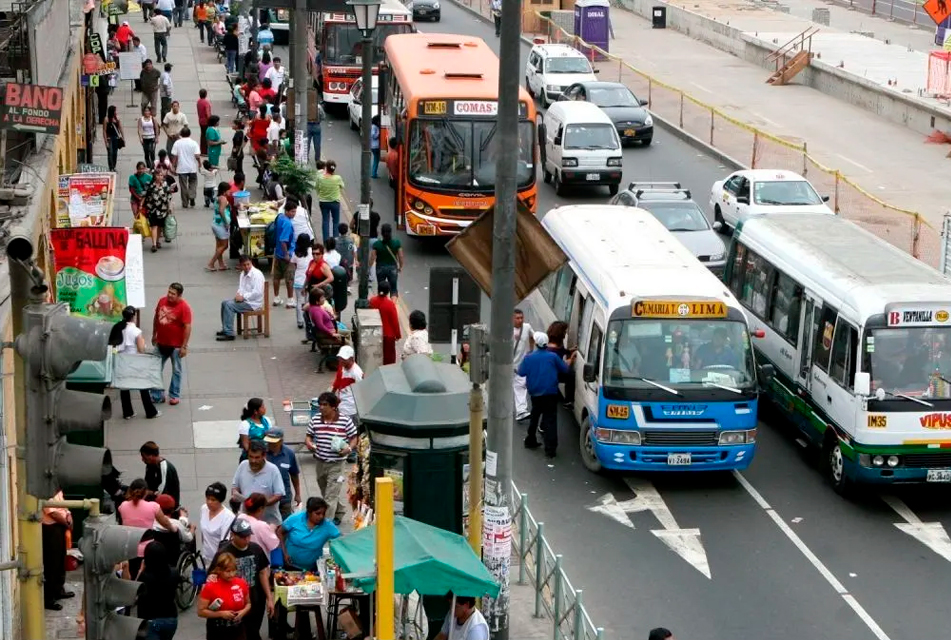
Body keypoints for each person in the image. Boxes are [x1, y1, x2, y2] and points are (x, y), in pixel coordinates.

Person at [211, 519, 274, 640]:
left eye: (248, 536)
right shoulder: (223, 553)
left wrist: (269, 598)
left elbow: (262, 573)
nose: (247, 540)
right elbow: (213, 576)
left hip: (255, 601)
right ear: (233, 535)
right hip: (233, 604)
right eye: (243, 537)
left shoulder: (256, 549)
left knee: (253, 632)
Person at [518, 331, 574, 459]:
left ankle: (530, 439)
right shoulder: (553, 357)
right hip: (550, 392)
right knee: (550, 420)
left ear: (536, 344)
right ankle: (550, 449)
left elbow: (521, 373)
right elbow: (565, 369)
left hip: (535, 393)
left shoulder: (529, 357)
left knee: (535, 415)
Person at [305, 392, 358, 525]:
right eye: (320, 404)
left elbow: (354, 438)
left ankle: (325, 525)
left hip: (337, 464)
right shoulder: (316, 419)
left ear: (333, 406)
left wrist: (349, 449)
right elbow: (308, 436)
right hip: (320, 462)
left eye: (325, 405)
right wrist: (309, 444)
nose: (321, 407)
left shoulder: (345, 420)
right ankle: (340, 511)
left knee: (330, 496)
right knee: (326, 491)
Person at [108, 306, 159, 420]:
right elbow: (141, 349)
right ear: (133, 317)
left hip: (121, 360)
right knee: (142, 386)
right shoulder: (136, 331)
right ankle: (150, 411)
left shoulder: (119, 327)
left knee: (124, 388)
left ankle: (128, 412)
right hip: (133, 360)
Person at [118, 479, 174, 575]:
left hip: (128, 549)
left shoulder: (123, 506)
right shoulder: (153, 507)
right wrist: (173, 529)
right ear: (146, 492)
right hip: (146, 551)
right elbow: (165, 523)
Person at [152, 282, 192, 405]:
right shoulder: (161, 301)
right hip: (161, 343)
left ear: (179, 295)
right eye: (169, 292)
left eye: (173, 294)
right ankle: (157, 394)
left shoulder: (184, 307)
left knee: (177, 371)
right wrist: (154, 334)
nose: (169, 295)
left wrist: (184, 346)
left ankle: (174, 395)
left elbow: (187, 327)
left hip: (176, 346)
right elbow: (156, 318)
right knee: (155, 368)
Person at [197, 552, 252, 640]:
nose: (231, 574)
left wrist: (243, 612)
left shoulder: (241, 583)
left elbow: (248, 603)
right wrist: (221, 614)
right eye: (228, 571)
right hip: (217, 630)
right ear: (219, 570)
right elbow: (201, 611)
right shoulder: (210, 586)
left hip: (238, 628)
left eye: (233, 570)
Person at [277, 496, 340, 571]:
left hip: (311, 570)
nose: (321, 517)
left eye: (323, 514)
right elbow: (279, 532)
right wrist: (284, 553)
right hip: (289, 566)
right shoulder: (296, 518)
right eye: (318, 513)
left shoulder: (327, 525)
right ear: (309, 512)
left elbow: (340, 540)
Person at [232, 440, 285, 526]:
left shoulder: (273, 470)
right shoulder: (242, 465)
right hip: (246, 523)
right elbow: (235, 486)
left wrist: (259, 505)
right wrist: (235, 494)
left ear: (264, 455)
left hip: (270, 523)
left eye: (257, 457)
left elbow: (278, 494)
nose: (253, 461)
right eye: (250, 457)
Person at [135, 541, 179, 640]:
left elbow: (135, 592)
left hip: (150, 620)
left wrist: (140, 571)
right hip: (170, 618)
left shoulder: (145, 577)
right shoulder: (174, 573)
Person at [219, 255, 265, 341]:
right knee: (224, 303)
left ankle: (229, 333)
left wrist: (243, 297)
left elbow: (257, 293)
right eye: (244, 265)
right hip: (245, 300)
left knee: (229, 305)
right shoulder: (242, 274)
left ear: (251, 263)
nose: (247, 267)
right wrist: (238, 295)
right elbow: (241, 288)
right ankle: (225, 328)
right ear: (240, 265)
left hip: (253, 303)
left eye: (248, 264)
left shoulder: (257, 275)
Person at [41, 490, 72, 611]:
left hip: (60, 526)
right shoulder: (44, 491)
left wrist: (69, 515)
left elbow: (64, 506)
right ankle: (49, 598)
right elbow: (53, 513)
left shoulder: (57, 490)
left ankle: (59, 590)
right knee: (51, 563)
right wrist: (67, 523)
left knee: (60, 560)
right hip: (50, 529)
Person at [263, 428, 302, 521]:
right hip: (266, 498)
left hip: (284, 499)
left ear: (281, 441)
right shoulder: (262, 453)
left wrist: (298, 494)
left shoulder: (289, 454)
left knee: (285, 525)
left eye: (274, 442)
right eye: (269, 442)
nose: (270, 444)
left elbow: (294, 475)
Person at [199, 482, 236, 566]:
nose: (209, 502)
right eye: (207, 498)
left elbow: (225, 545)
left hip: (218, 561)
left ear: (220, 500)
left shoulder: (228, 517)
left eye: (213, 500)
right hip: (206, 557)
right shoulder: (204, 509)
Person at [270, 202, 296, 308]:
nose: (294, 214)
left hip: (277, 253)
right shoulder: (288, 224)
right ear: (287, 211)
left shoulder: (280, 217)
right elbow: (283, 240)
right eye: (292, 211)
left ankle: (276, 298)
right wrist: (287, 254)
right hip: (287, 254)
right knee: (289, 278)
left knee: (276, 277)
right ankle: (290, 300)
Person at [369, 281, 402, 365]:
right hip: (388, 337)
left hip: (375, 334)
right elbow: (395, 322)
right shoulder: (390, 304)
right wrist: (398, 335)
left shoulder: (372, 301)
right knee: (388, 360)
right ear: (388, 291)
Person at [141, 441, 181, 506]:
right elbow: (147, 486)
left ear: (151, 455)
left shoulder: (165, 468)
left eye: (144, 457)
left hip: (167, 508)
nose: (142, 459)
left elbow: (163, 493)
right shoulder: (149, 465)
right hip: (154, 506)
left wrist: (150, 493)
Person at [546, 320, 576, 407]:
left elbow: (561, 351)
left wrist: (570, 350)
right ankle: (568, 401)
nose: (566, 332)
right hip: (552, 374)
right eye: (565, 331)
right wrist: (571, 359)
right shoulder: (552, 350)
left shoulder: (557, 343)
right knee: (571, 375)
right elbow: (562, 367)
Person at [144, 165, 173, 252]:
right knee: (154, 226)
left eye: (161, 175)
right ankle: (154, 244)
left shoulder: (165, 185)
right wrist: (142, 206)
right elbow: (146, 196)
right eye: (158, 175)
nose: (159, 177)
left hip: (162, 209)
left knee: (160, 226)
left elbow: (169, 196)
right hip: (152, 209)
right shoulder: (150, 185)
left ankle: (157, 241)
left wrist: (170, 207)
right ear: (154, 176)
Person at [370, 223, 404, 298]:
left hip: (380, 268)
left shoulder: (377, 244)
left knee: (381, 287)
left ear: (381, 233)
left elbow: (372, 258)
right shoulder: (396, 243)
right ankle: (393, 305)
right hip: (392, 268)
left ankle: (381, 305)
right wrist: (401, 266)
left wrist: (369, 266)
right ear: (390, 232)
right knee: (393, 288)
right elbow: (401, 256)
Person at [172, 126, 201, 208]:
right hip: (192, 168)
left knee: (183, 186)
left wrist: (173, 166)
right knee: (193, 183)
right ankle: (192, 196)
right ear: (190, 134)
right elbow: (197, 155)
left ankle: (185, 203)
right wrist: (199, 163)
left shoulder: (177, 143)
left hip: (181, 168)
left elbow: (174, 156)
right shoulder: (194, 143)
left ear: (181, 134)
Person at [237, 397, 273, 463]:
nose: (265, 408)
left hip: (266, 456)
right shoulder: (245, 424)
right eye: (262, 407)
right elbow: (246, 445)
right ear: (255, 411)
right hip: (251, 458)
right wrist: (255, 457)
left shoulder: (266, 420)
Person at [512, 309, 533, 421]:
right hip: (507, 364)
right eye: (517, 318)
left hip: (521, 364)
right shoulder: (506, 330)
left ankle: (521, 411)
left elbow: (532, 337)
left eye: (521, 318)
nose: (520, 320)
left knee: (520, 385)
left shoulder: (527, 327)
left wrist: (531, 350)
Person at [317, 160, 344, 241]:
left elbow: (317, 188)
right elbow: (342, 186)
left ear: (326, 168)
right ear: (334, 169)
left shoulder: (320, 178)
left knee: (325, 221)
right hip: (335, 202)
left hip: (323, 202)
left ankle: (326, 241)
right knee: (336, 222)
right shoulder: (337, 178)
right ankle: (335, 240)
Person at [208, 181, 232, 271]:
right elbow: (222, 211)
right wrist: (226, 223)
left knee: (219, 245)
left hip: (216, 223)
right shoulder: (223, 199)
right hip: (221, 225)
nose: (230, 192)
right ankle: (211, 263)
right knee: (224, 245)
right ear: (224, 191)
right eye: (229, 191)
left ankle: (221, 264)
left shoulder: (218, 198)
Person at [291, 233, 313, 328]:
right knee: (308, 301)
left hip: (298, 280)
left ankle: (300, 322)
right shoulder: (311, 251)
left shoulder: (295, 253)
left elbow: (294, 265)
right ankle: (309, 320)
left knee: (299, 301)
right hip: (308, 279)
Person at [103, 105, 125, 172]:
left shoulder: (117, 119)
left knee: (115, 153)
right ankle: (111, 167)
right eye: (115, 111)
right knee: (110, 153)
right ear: (112, 111)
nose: (116, 112)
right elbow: (104, 130)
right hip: (109, 138)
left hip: (116, 138)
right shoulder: (106, 119)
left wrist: (123, 137)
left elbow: (120, 128)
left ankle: (114, 166)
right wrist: (106, 141)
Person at [138, 106, 160, 170]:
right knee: (146, 152)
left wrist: (157, 137)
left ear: (150, 112)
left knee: (152, 151)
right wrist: (140, 138)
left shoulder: (153, 119)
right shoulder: (141, 119)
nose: (146, 112)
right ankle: (148, 166)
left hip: (152, 137)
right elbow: (139, 129)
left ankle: (153, 166)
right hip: (145, 138)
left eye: (148, 111)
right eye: (145, 111)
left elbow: (156, 128)